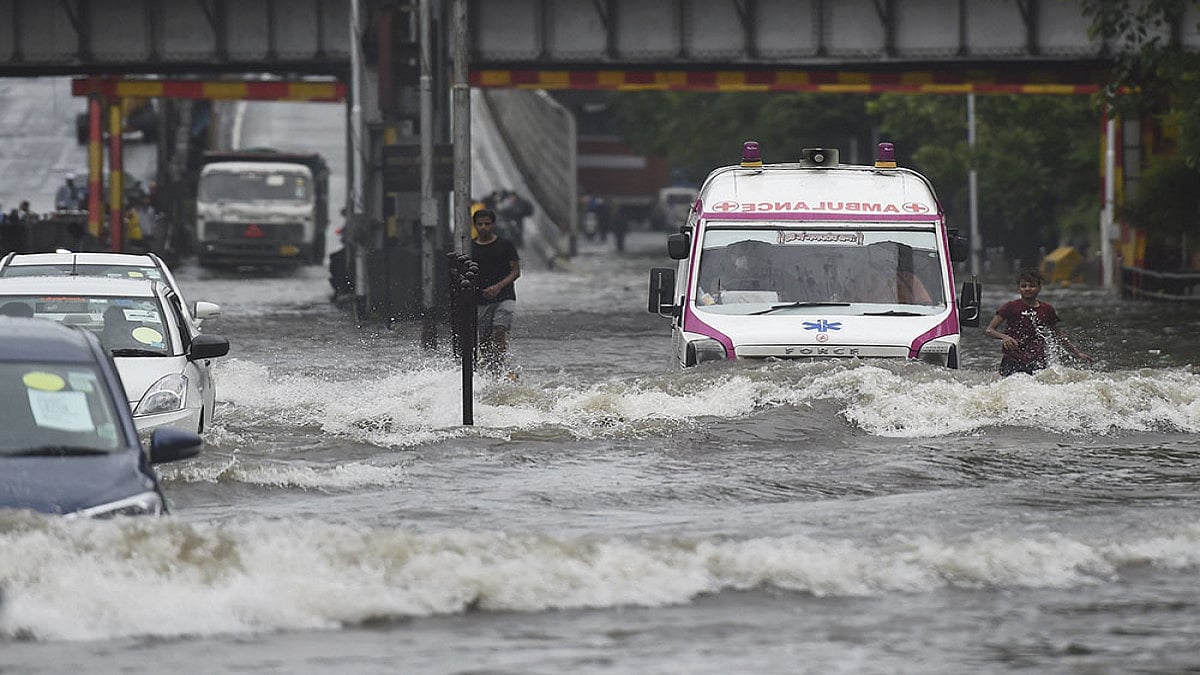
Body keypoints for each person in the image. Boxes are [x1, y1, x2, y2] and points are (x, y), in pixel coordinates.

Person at [984, 268, 1092, 376]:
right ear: (1018, 288)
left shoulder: (1047, 309)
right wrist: (1004, 337)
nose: (1027, 289)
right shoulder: (1010, 307)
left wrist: (1077, 353)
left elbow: (1058, 335)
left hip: (1037, 360)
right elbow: (989, 330)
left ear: (1039, 287)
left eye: (1032, 286)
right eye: (1024, 286)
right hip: (1013, 358)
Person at [471, 208, 520, 371]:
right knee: (484, 339)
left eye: (487, 224)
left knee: (499, 331)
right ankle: (489, 368)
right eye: (480, 224)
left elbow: (516, 271)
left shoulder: (505, 245)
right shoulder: (470, 247)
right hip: (482, 299)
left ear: (493, 225)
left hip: (505, 296)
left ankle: (500, 366)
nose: (483, 227)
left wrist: (498, 286)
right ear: (475, 225)